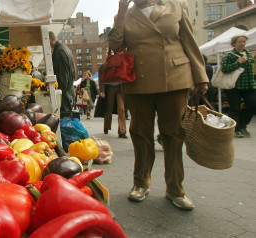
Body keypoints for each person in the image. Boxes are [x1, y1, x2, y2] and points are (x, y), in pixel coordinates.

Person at [110, 0, 209, 210]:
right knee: (140, 133)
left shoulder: (177, 5)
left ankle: (175, 189)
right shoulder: (125, 14)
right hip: (138, 80)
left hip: (174, 77)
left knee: (173, 134)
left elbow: (189, 41)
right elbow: (114, 45)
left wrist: (200, 75)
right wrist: (121, 12)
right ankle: (140, 182)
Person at [220, 35, 255, 138]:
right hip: (234, 86)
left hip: (249, 85)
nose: (242, 44)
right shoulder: (229, 55)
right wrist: (238, 63)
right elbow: (225, 69)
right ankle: (235, 129)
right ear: (234, 43)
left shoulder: (248, 53)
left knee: (253, 105)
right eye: (240, 42)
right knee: (235, 108)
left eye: (244, 41)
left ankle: (242, 125)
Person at [95, 63, 127, 138]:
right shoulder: (103, 66)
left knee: (122, 109)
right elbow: (101, 79)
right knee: (108, 109)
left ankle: (122, 131)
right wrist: (102, 90)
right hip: (109, 88)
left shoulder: (120, 64)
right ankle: (106, 126)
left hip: (120, 89)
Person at [49, 31, 76, 114]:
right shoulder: (62, 48)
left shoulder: (59, 51)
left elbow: (62, 74)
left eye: (47, 41)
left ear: (53, 39)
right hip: (67, 90)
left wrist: (60, 90)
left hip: (64, 92)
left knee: (64, 117)